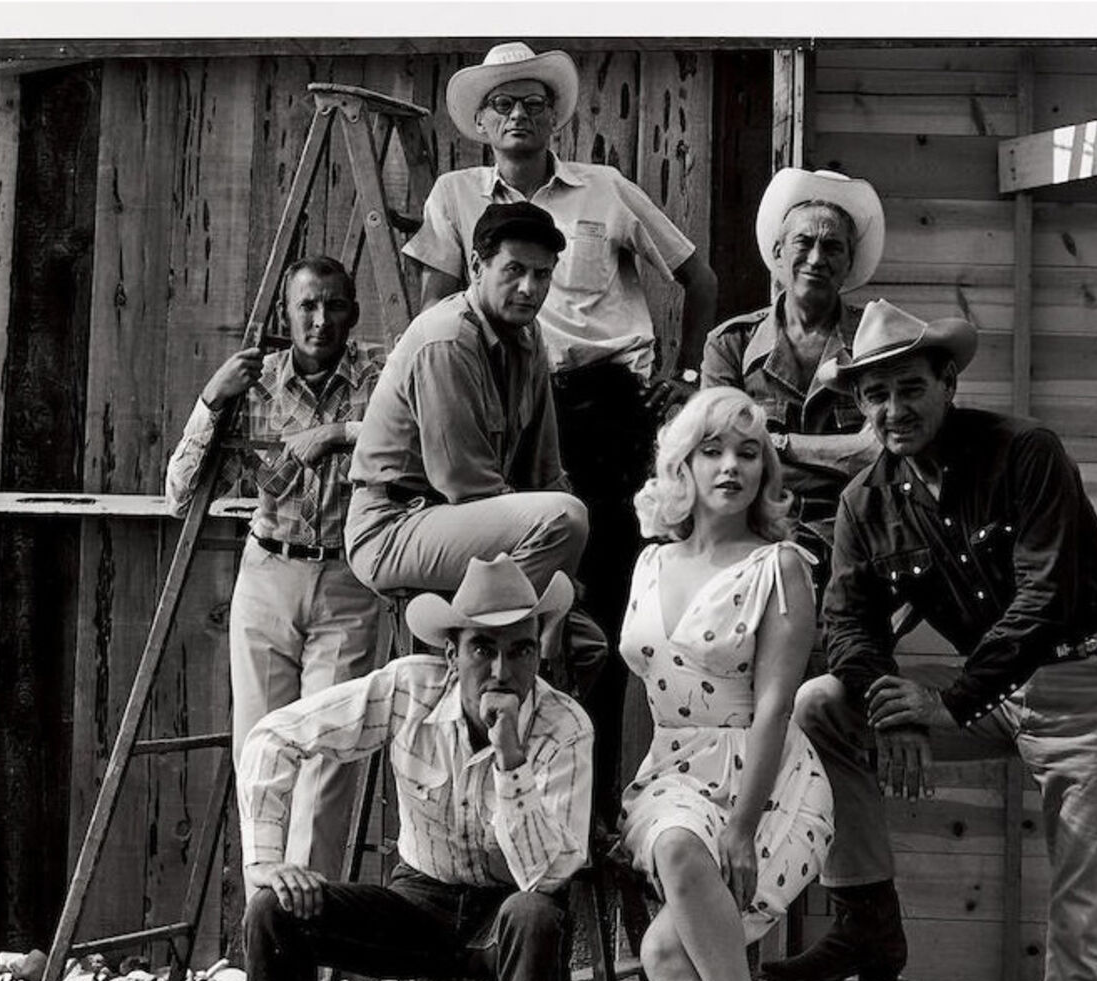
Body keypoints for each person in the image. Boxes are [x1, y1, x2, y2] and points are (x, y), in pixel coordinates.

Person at [782, 299, 1097, 981]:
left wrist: (944, 700)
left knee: (1082, 925)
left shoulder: (1026, 453)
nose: (894, 410)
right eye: (875, 396)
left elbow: (1044, 596)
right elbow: (848, 623)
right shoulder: (867, 501)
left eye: (910, 389)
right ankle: (868, 916)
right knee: (822, 704)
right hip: (989, 698)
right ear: (858, 405)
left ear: (949, 383)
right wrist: (894, 711)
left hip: (1091, 690)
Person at [404, 41, 719, 820]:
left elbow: (698, 277)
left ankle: (594, 811)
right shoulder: (454, 197)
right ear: (482, 121)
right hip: (501, 414)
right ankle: (487, 808)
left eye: (534, 103)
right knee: (497, 607)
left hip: (603, 416)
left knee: (599, 615)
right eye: (503, 103)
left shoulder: (604, 189)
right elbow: (432, 316)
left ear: (556, 117)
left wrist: (685, 378)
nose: (519, 115)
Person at [235, 554, 594, 981]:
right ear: (450, 653)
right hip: (420, 902)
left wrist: (510, 760)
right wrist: (269, 863)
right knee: (273, 914)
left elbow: (546, 874)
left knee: (534, 915)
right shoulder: (407, 689)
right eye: (482, 648)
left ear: (538, 650)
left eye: (520, 649)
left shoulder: (565, 726)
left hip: (508, 915)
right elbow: (273, 738)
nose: (502, 669)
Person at [619, 387, 834, 981]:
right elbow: (640, 692)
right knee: (674, 844)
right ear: (682, 464)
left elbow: (778, 703)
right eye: (712, 450)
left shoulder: (781, 566)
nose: (731, 466)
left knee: (667, 956)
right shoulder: (648, 564)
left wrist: (742, 827)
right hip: (670, 777)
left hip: (767, 784)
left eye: (749, 453)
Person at [166, 255, 382, 898]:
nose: (321, 320)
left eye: (334, 305)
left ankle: (311, 919)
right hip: (268, 570)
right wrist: (212, 398)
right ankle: (265, 909)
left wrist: (339, 432)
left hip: (346, 576)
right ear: (285, 315)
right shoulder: (254, 384)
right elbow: (179, 493)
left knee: (329, 750)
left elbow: (419, 434)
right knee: (260, 747)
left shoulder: (379, 375)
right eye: (306, 306)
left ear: (353, 312)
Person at [346, 199, 603, 681]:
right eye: (515, 270)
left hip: (464, 524)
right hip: (394, 526)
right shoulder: (446, 338)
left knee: (588, 643)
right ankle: (482, 646)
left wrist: (569, 574)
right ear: (476, 266)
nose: (529, 288)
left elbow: (545, 471)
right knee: (564, 519)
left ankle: (518, 646)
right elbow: (466, 485)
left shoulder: (528, 337)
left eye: (542, 275)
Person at [701, 167, 886, 551]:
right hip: (754, 531)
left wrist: (775, 445)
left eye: (832, 247)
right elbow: (720, 455)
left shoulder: (875, 339)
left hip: (854, 533)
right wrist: (840, 454)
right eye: (804, 242)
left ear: (849, 262)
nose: (816, 259)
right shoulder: (730, 345)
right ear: (778, 252)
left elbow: (878, 454)